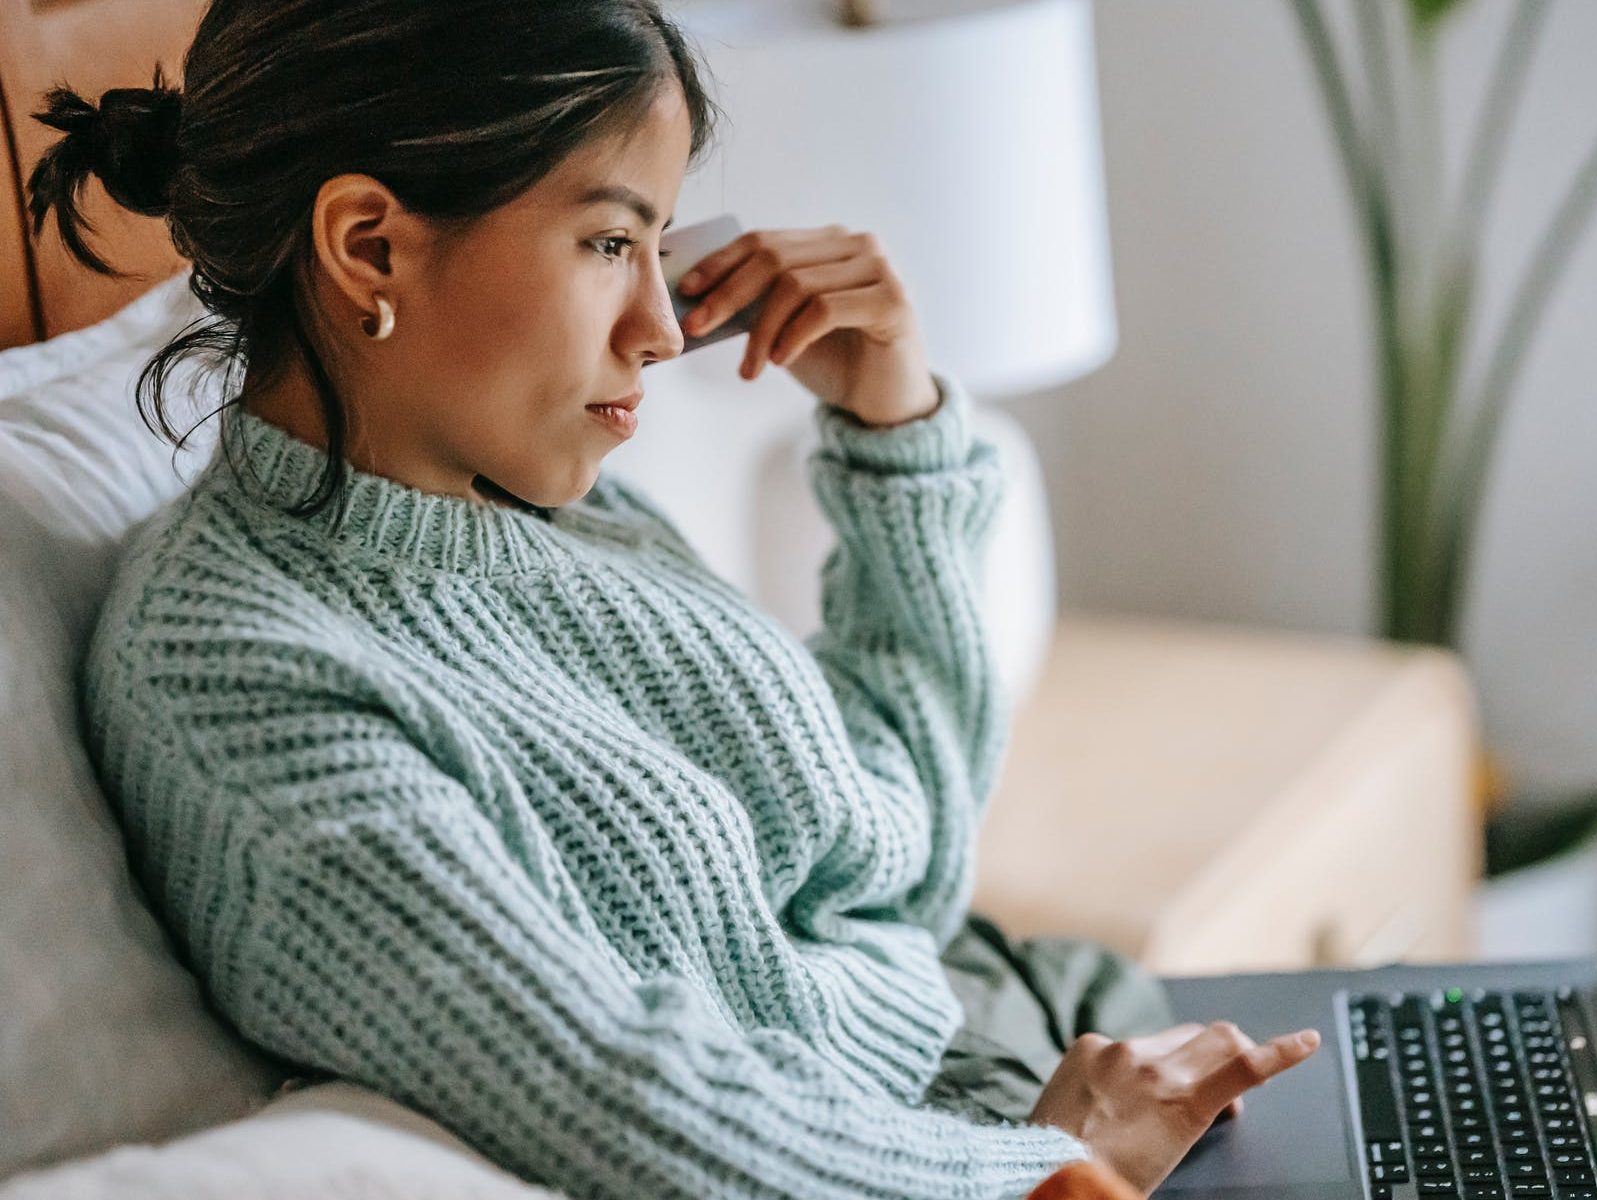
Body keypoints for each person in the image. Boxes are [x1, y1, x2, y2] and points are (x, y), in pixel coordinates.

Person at [29, 3, 1318, 1198]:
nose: (657, 324)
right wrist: (1045, 1168)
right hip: (961, 1155)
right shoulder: (230, 671)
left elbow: (894, 867)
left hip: (1008, 1030)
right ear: (370, 245)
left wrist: (897, 434)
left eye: (657, 242)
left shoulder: (554, 511)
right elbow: (608, 1091)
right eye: (606, 241)